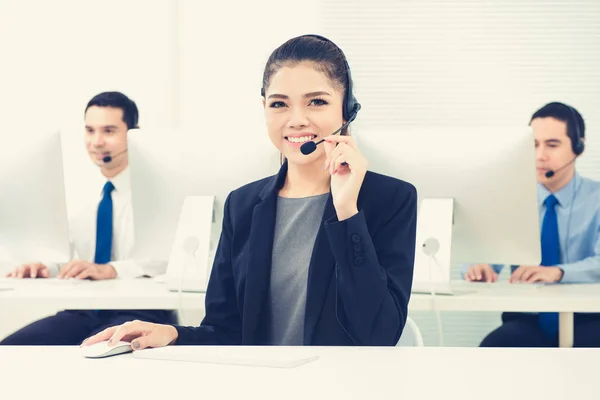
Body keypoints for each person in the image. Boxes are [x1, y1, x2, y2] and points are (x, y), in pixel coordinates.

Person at [82, 34, 417, 349]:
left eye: (316, 101)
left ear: (346, 110)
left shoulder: (390, 200)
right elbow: (227, 331)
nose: (296, 119)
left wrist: (347, 212)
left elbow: (378, 336)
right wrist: (171, 333)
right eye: (279, 104)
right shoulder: (242, 205)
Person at [1, 91, 176, 345]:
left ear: (133, 134)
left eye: (108, 131)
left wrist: (112, 269)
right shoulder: (82, 196)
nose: (96, 142)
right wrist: (45, 267)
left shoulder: (160, 190)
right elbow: (75, 261)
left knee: (97, 354)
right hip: (85, 309)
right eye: (90, 130)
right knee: (11, 349)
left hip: (141, 311)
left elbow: (174, 258)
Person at [463, 102, 600, 347]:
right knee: (493, 349)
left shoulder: (596, 199)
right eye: (533, 145)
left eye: (552, 145)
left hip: (589, 317)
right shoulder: (511, 199)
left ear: (578, 147)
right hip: (528, 318)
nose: (540, 156)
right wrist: (478, 266)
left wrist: (558, 272)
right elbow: (482, 253)